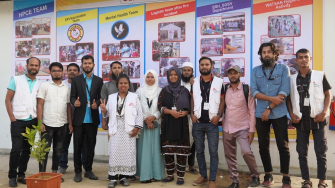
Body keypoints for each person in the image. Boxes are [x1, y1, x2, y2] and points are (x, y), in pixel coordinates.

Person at [287, 49, 331, 188]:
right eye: (300, 57)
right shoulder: (292, 79)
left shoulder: (319, 75)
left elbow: (328, 95)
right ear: (296, 60)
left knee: (321, 152)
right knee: (302, 153)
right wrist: (291, 114)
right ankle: (306, 180)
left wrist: (324, 112)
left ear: (310, 58)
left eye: (306, 57)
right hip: (300, 120)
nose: (303, 60)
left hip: (318, 118)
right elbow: (288, 99)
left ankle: (322, 181)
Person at [251, 42, 291, 187]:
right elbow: (254, 92)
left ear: (275, 54)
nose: (266, 54)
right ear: (261, 55)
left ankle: (286, 177)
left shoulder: (283, 68)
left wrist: (269, 108)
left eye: (269, 52)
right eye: (263, 52)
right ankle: (268, 174)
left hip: (278, 113)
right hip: (260, 114)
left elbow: (284, 92)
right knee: (263, 145)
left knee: (283, 145)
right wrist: (270, 99)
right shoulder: (255, 71)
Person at [100, 74, 143, 188]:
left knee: (127, 153)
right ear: (117, 85)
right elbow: (107, 114)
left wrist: (137, 128)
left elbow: (140, 113)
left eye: (125, 83)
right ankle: (113, 177)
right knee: (114, 152)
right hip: (115, 129)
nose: (123, 85)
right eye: (121, 83)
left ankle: (124, 176)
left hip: (129, 130)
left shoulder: (134, 97)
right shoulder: (112, 97)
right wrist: (104, 110)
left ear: (129, 85)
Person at [5, 57, 42, 187]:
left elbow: (39, 104)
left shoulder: (39, 83)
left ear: (39, 67)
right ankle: (11, 176)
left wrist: (38, 122)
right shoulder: (16, 79)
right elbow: (7, 100)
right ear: (26, 66)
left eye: (36, 65)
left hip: (31, 121)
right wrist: (12, 118)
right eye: (31, 65)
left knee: (27, 149)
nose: (34, 67)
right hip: (18, 121)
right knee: (16, 149)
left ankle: (21, 174)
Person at [223, 65, 260, 188]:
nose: (233, 75)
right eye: (230, 73)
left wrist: (252, 130)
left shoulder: (246, 89)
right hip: (227, 127)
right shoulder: (225, 89)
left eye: (235, 73)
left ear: (240, 74)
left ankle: (255, 176)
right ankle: (235, 181)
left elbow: (252, 111)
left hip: (243, 128)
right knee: (230, 155)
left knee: (246, 152)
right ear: (228, 75)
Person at [190, 57, 224, 188]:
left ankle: (212, 180)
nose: (204, 66)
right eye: (202, 65)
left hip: (212, 123)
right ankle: (203, 176)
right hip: (197, 122)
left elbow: (223, 101)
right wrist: (192, 114)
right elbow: (192, 98)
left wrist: (219, 115)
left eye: (206, 64)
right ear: (199, 67)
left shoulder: (219, 82)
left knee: (213, 152)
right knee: (199, 151)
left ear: (211, 66)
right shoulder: (195, 82)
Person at [36, 62, 72, 182]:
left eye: (59, 70)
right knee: (44, 150)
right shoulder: (44, 86)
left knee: (58, 150)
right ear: (50, 72)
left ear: (62, 72)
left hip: (62, 124)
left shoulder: (66, 88)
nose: (57, 72)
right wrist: (40, 122)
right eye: (54, 70)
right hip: (47, 124)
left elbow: (68, 106)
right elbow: (40, 104)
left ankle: (54, 174)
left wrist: (70, 123)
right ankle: (42, 173)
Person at [70, 55, 103, 182]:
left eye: (89, 63)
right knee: (77, 147)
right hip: (79, 119)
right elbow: (72, 97)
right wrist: (74, 103)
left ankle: (88, 170)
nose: (87, 65)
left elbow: (101, 97)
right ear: (82, 65)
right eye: (85, 63)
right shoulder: (76, 80)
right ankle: (77, 171)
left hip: (92, 119)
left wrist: (98, 104)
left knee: (90, 146)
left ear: (93, 65)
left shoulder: (99, 81)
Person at [100, 61, 135, 181]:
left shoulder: (129, 85)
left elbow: (133, 105)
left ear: (122, 70)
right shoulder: (106, 86)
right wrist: (104, 121)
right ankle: (113, 174)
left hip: (126, 124)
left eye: (119, 68)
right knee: (114, 150)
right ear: (111, 70)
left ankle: (124, 175)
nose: (116, 70)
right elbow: (103, 105)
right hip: (112, 124)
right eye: (114, 68)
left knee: (125, 151)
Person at [158, 67, 191, 185]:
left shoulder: (185, 90)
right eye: (171, 75)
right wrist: (171, 112)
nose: (173, 77)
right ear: (168, 76)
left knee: (181, 151)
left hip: (182, 124)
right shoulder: (164, 90)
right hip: (168, 123)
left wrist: (185, 113)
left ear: (179, 76)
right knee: (169, 151)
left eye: (175, 74)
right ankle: (170, 175)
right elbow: (160, 106)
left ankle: (181, 176)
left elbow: (190, 107)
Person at [135, 70, 165, 183]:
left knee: (156, 150)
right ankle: (145, 174)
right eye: (148, 77)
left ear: (156, 78)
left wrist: (153, 117)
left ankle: (156, 174)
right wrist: (146, 120)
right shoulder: (139, 91)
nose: (150, 79)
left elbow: (162, 107)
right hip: (143, 124)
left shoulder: (160, 91)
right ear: (144, 78)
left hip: (157, 124)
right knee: (144, 150)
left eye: (152, 77)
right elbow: (137, 108)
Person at [58, 63, 87, 174]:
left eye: (75, 70)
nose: (72, 72)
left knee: (83, 145)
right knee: (64, 145)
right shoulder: (62, 85)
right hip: (65, 121)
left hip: (80, 120)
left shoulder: (83, 84)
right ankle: (62, 165)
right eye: (70, 70)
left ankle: (85, 166)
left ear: (79, 72)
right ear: (66, 72)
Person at [181, 62, 198, 175]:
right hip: (179, 116)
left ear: (192, 71)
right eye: (184, 70)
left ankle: (191, 165)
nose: (186, 72)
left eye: (189, 70)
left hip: (192, 116)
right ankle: (180, 164)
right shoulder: (177, 82)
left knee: (193, 141)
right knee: (180, 140)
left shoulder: (196, 82)